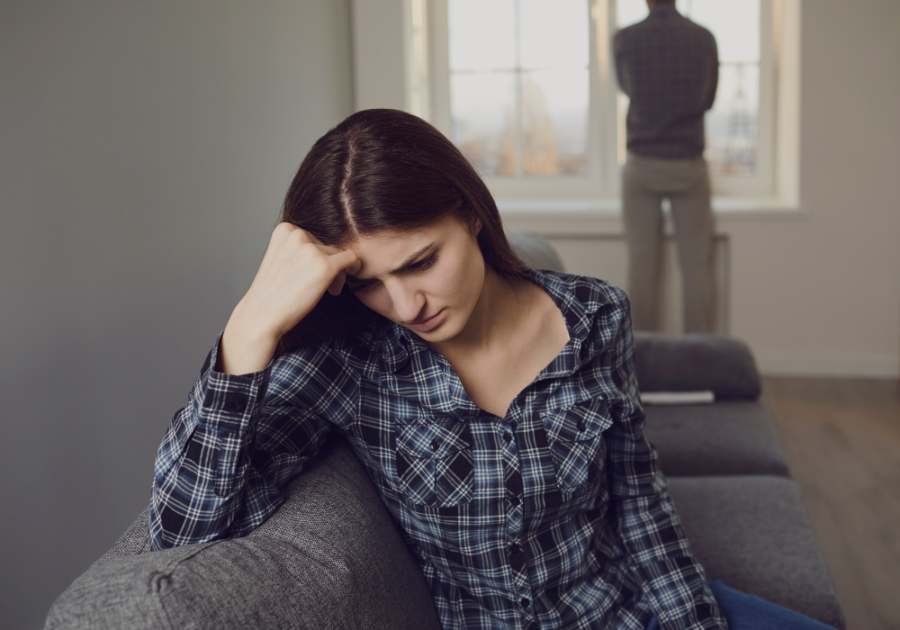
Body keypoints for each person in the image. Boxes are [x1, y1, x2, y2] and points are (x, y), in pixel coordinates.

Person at [150, 110, 835, 629]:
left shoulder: (596, 317)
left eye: (420, 262)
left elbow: (638, 507)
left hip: (630, 603)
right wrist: (249, 329)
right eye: (367, 282)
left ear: (471, 214)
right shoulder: (351, 363)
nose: (404, 304)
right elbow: (181, 533)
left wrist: (691, 621)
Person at [614, 0, 718, 332]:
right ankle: (700, 353)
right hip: (688, 164)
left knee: (641, 267)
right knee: (696, 268)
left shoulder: (625, 39)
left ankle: (644, 358)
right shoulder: (704, 38)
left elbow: (628, 89)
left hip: (643, 164)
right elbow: (709, 99)